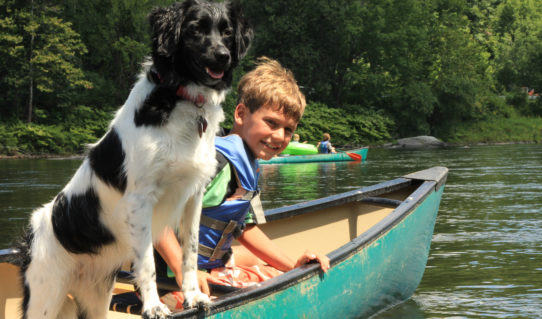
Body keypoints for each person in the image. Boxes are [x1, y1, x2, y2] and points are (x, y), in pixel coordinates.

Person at [154, 57, 330, 311]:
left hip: (207, 267)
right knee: (274, 287)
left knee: (278, 274)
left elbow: (243, 228)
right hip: (170, 282)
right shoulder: (214, 160)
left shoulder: (247, 162)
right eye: (271, 123)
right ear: (240, 114)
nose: (280, 136)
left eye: (288, 130)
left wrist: (292, 266)